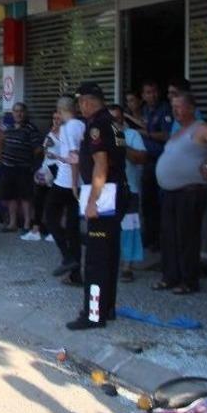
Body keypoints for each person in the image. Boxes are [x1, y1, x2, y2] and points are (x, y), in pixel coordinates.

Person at [152, 92, 207, 295]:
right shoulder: (178, 131)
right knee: (169, 237)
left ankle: (189, 281)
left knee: (187, 237)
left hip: (189, 192)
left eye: (179, 106)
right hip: (170, 192)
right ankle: (170, 277)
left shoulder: (200, 128)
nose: (175, 110)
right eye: (173, 107)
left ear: (191, 108)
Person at [67, 81, 127, 330]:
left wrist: (92, 202)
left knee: (95, 260)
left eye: (81, 101)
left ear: (89, 101)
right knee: (109, 256)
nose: (80, 106)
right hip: (116, 192)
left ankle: (93, 315)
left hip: (104, 196)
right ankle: (107, 308)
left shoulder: (97, 126)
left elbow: (101, 165)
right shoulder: (112, 123)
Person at [109, 103, 148, 282]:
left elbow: (141, 158)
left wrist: (120, 142)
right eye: (111, 120)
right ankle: (110, 261)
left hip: (129, 189)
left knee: (129, 229)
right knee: (108, 228)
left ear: (123, 119)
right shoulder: (100, 136)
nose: (114, 122)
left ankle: (127, 266)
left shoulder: (132, 135)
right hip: (107, 190)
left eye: (117, 119)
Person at [48, 97, 84, 281]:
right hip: (77, 182)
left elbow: (74, 156)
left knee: (50, 218)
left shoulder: (67, 128)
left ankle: (68, 256)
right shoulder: (81, 125)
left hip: (65, 182)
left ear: (60, 110)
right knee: (72, 227)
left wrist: (74, 184)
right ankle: (75, 275)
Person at [0, 103, 43, 234]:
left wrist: (28, 157)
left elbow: (38, 148)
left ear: (25, 113)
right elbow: (2, 142)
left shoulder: (31, 129)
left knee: (25, 197)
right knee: (10, 196)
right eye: (16, 111)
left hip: (23, 168)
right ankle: (13, 223)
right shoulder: (8, 128)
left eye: (21, 111)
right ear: (12, 113)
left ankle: (27, 224)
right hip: (8, 167)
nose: (18, 114)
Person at [139, 80, 172, 251]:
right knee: (147, 202)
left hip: (161, 161)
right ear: (143, 95)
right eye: (148, 92)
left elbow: (167, 135)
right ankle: (149, 237)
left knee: (160, 203)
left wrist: (148, 134)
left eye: (154, 91)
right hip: (146, 161)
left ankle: (160, 240)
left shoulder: (165, 109)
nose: (152, 95)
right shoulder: (144, 110)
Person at [24, 109, 60, 242]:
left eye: (58, 118)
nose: (56, 121)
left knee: (54, 202)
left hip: (58, 170)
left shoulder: (67, 134)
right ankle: (36, 229)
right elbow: (45, 151)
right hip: (45, 169)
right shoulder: (50, 133)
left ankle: (54, 231)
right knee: (39, 200)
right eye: (54, 118)